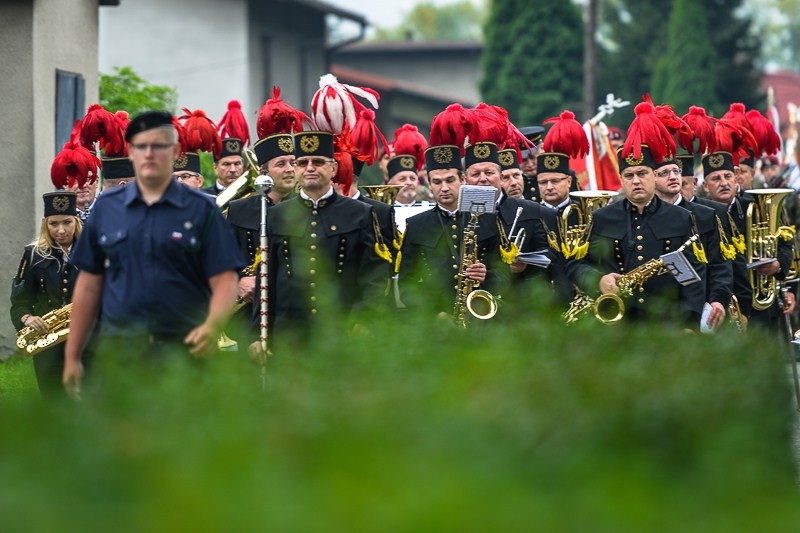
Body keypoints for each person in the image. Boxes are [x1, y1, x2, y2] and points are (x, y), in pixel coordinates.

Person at [62, 111, 245, 395]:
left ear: (175, 151)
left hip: (186, 352)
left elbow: (225, 279)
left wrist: (212, 325)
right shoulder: (106, 209)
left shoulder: (202, 209)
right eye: (141, 146)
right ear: (131, 152)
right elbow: (88, 286)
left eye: (158, 145)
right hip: (122, 352)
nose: (149, 153)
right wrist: (73, 356)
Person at [254, 131, 391, 352]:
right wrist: (258, 332)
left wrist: (366, 319)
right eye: (303, 163)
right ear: (296, 169)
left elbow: (374, 275)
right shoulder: (276, 215)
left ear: (333, 169)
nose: (310, 168)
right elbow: (265, 277)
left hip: (344, 332)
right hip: (289, 334)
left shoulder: (360, 213)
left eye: (318, 162)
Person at [566, 145, 705, 326]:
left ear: (654, 175)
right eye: (629, 175)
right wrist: (599, 280)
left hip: (667, 322)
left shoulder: (681, 217)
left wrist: (690, 324)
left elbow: (692, 276)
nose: (636, 181)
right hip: (616, 323)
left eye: (642, 173)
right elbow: (575, 265)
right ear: (621, 179)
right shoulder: (602, 218)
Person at [398, 143, 508, 319]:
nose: (444, 188)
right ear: (429, 183)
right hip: (435, 318)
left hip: (483, 318)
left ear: (462, 179)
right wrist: (432, 315)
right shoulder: (416, 225)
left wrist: (487, 275)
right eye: (437, 182)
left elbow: (506, 272)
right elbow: (406, 283)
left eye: (450, 180)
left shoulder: (489, 218)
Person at [10, 191, 81, 400]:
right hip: (48, 345)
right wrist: (27, 318)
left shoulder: (93, 252)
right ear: (45, 224)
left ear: (76, 221)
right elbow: (20, 302)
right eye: (53, 224)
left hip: (88, 342)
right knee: (53, 404)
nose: (61, 230)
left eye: (67, 222)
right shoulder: (33, 255)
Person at [654, 157, 732, 330]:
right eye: (664, 173)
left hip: (703, 312)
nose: (673, 177)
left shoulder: (706, 215)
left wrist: (719, 300)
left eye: (676, 171)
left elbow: (721, 265)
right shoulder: (645, 216)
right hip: (659, 313)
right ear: (652, 178)